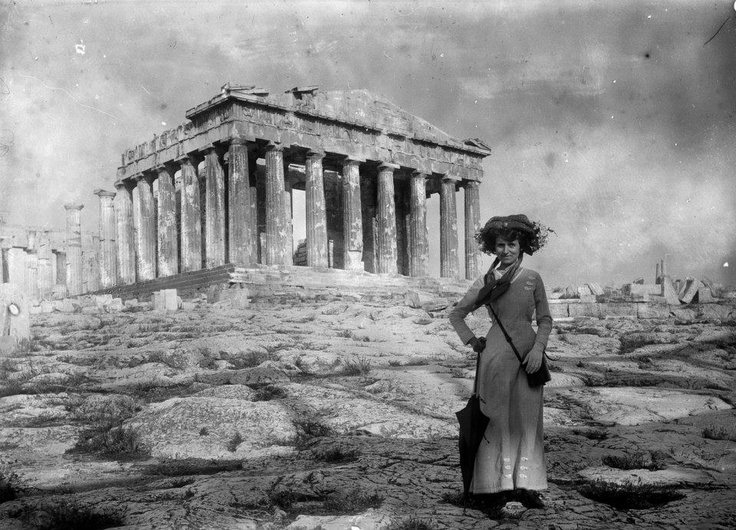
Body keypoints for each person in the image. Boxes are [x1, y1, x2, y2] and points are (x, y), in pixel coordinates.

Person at [449, 214, 553, 508]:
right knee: (496, 422)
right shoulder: (486, 281)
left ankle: (526, 486)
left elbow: (545, 319)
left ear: (523, 246)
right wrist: (471, 340)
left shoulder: (533, 279)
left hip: (528, 358)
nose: (505, 250)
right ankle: (494, 486)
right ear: (492, 248)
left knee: (527, 422)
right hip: (495, 358)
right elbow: (456, 314)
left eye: (512, 244)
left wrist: (538, 350)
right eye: (500, 245)